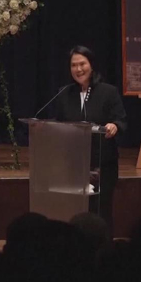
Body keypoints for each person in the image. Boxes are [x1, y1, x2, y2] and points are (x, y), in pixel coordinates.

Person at [54, 46, 127, 229]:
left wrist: (114, 126)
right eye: (74, 65)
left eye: (82, 64)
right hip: (73, 163)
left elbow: (121, 120)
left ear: (91, 65)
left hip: (102, 163)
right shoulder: (64, 93)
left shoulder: (108, 92)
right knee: (74, 211)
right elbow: (58, 124)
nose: (78, 69)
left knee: (101, 212)